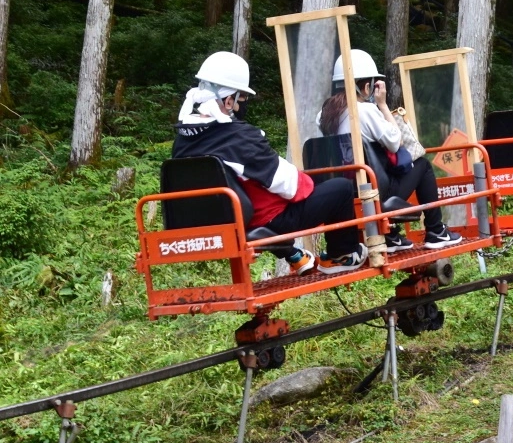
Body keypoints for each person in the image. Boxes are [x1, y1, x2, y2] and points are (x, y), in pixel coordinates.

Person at [173, 51, 366, 275]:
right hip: (259, 220)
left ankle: (294, 254)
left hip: (214, 221)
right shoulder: (238, 137)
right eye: (241, 99)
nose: (242, 105)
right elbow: (290, 185)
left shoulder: (183, 140)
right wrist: (307, 181)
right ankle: (342, 254)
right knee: (340, 188)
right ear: (229, 100)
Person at [318, 49, 463, 252]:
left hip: (345, 192)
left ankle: (391, 236)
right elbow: (396, 142)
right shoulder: (365, 111)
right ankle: (436, 230)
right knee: (422, 165)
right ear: (367, 85)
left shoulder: (324, 115)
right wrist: (383, 105)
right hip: (377, 192)